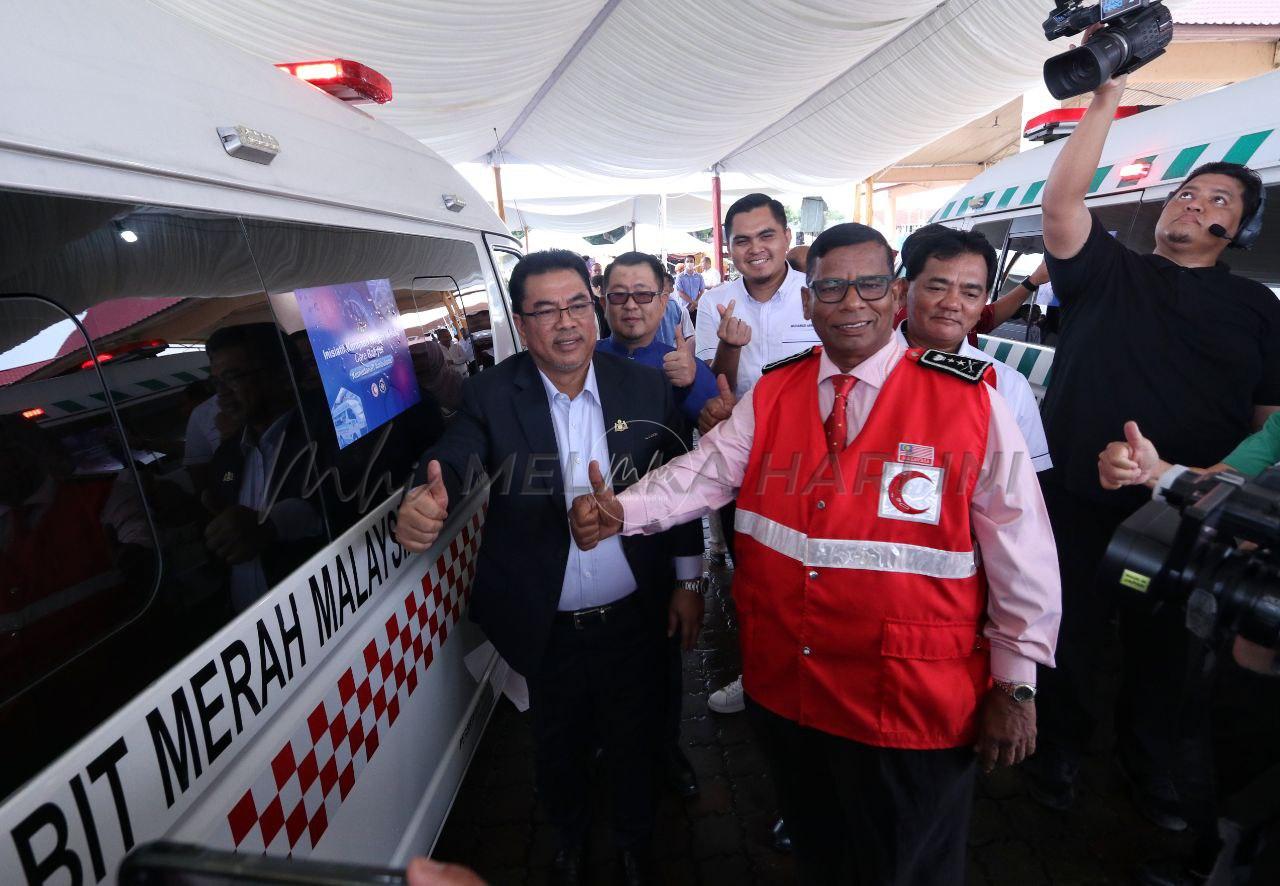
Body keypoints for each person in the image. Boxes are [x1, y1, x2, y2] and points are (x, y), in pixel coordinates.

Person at [570, 223, 1061, 885]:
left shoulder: (972, 403)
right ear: (808, 302)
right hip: (792, 689)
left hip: (911, 702)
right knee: (821, 851)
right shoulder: (775, 393)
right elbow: (705, 473)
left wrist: (1016, 684)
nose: (850, 301)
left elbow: (1022, 552)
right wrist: (622, 510)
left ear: (896, 296)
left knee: (905, 864)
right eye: (831, 285)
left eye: (868, 284)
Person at [1029, 52, 1280, 837]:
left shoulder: (1256, 310)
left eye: (1216, 200)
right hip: (1076, 497)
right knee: (1065, 636)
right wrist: (1107, 98)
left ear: (1233, 229)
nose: (1191, 202)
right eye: (1185, 190)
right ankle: (1057, 756)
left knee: (1165, 656)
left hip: (1186, 514)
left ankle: (1148, 769)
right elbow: (1062, 202)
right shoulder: (1108, 271)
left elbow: (1269, 424)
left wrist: (1217, 487)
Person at [395, 250, 703, 886]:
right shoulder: (491, 393)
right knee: (556, 748)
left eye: (577, 306)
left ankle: (635, 845)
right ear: (520, 320)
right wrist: (426, 496)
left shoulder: (643, 389)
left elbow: (680, 490)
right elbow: (454, 452)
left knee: (634, 741)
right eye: (545, 310)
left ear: (593, 311)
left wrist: (689, 581)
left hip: (635, 614)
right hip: (546, 624)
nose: (566, 324)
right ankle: (567, 842)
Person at [595, 250, 717, 800]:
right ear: (602, 301)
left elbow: (714, 455)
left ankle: (667, 753)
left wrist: (691, 579)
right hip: (587, 540)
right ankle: (606, 749)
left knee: (661, 663)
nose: (631, 307)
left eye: (644, 294)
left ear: (667, 298)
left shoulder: (683, 368)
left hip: (661, 539)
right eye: (618, 295)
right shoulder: (580, 356)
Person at [695, 192, 821, 716]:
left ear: (786, 238)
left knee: (816, 571)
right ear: (730, 249)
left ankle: (818, 675)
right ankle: (761, 675)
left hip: (815, 459)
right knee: (754, 574)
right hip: (744, 462)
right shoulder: (714, 301)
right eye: (742, 240)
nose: (755, 249)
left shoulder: (816, 295)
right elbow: (713, 382)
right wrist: (731, 345)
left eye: (766, 235)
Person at [895, 224, 1051, 473]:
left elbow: (1022, 487)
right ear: (902, 291)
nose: (952, 303)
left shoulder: (1007, 386)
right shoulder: (860, 371)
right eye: (937, 288)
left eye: (970, 293)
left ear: (983, 302)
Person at [202, 323, 325, 613]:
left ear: (282, 375)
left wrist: (270, 526)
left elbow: (347, 500)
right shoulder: (227, 455)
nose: (222, 394)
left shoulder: (331, 430)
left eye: (232, 378)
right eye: (216, 383)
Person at [654, 269, 694, 349]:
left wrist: (683, 353)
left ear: (672, 289)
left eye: (663, 285)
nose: (660, 288)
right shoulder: (647, 306)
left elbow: (686, 336)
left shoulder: (679, 309)